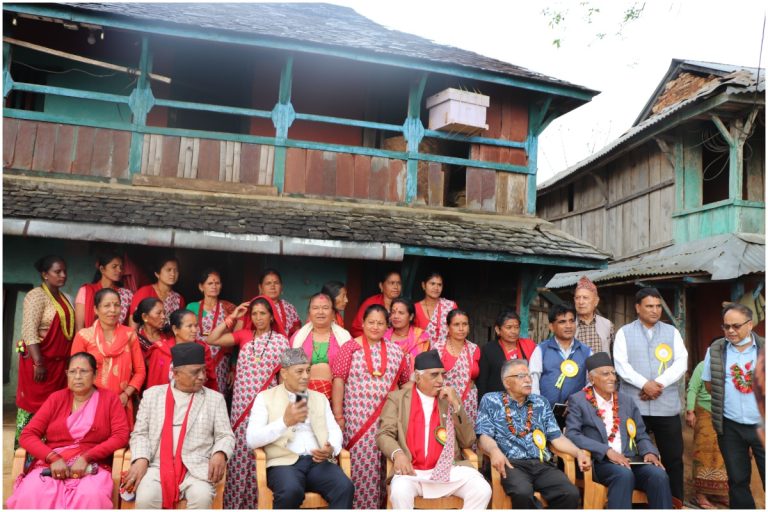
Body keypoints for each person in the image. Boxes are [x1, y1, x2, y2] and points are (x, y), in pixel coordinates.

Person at [6, 352, 130, 509]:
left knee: (91, 495)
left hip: (92, 467)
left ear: (95, 374)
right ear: (67, 374)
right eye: (72, 372)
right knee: (31, 492)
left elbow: (121, 436)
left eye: (83, 371)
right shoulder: (56, 399)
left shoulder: (110, 399)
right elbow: (27, 435)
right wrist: (52, 458)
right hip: (52, 466)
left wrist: (87, 457)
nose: (77, 376)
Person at [123, 343, 235, 509]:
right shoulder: (152, 395)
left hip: (196, 468)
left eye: (203, 370)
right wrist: (141, 458)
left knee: (202, 497)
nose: (202, 377)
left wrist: (220, 453)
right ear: (176, 374)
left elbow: (225, 435)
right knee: (146, 497)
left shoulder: (214, 399)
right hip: (156, 465)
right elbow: (140, 433)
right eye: (195, 372)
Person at [376, 350, 492, 509]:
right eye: (434, 375)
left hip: (448, 470)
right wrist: (398, 454)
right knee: (399, 492)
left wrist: (456, 406)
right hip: (412, 472)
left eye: (442, 375)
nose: (440, 380)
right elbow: (384, 434)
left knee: (482, 489)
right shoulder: (398, 399)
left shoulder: (449, 399)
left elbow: (468, 441)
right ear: (418, 377)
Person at [206, 296, 290, 509]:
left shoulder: (281, 341)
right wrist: (233, 317)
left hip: (267, 405)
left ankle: (258, 504)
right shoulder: (244, 335)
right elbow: (212, 339)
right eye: (254, 314)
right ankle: (234, 504)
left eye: (263, 313)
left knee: (261, 451)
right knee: (239, 452)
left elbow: (285, 376)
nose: (258, 318)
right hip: (241, 406)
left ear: (271, 316)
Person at [246, 348, 354, 509]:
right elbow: (252, 439)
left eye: (308, 371)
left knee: (344, 487)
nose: (306, 376)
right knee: (290, 491)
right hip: (283, 463)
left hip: (317, 462)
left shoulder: (320, 398)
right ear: (284, 373)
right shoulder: (264, 398)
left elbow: (334, 429)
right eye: (299, 371)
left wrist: (331, 448)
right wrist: (284, 423)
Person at [476, 359, 590, 509]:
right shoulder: (491, 400)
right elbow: (483, 435)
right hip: (510, 464)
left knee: (570, 493)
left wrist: (578, 452)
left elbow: (556, 437)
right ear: (506, 382)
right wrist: (494, 451)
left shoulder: (540, 402)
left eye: (529, 375)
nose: (528, 380)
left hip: (541, 464)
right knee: (522, 492)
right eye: (521, 376)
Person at [565, 352, 672, 509]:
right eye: (606, 374)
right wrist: (606, 451)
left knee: (658, 475)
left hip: (630, 459)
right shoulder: (578, 400)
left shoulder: (626, 401)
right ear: (591, 378)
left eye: (613, 373)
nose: (612, 378)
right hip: (600, 462)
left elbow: (641, 434)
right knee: (623, 474)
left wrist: (649, 452)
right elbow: (572, 434)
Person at [331, 304, 411, 508]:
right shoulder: (349, 348)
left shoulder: (396, 351)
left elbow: (406, 383)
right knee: (358, 469)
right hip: (356, 422)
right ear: (363, 323)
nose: (375, 327)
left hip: (388, 422)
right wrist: (338, 416)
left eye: (380, 323)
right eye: (371, 322)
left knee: (386, 470)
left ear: (387, 326)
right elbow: (338, 380)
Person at [613, 287, 687, 501]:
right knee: (634, 455)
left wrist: (657, 384)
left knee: (673, 458)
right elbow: (621, 365)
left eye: (658, 306)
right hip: (634, 406)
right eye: (649, 306)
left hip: (666, 406)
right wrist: (644, 384)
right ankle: (638, 501)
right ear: (638, 308)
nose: (655, 310)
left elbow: (681, 362)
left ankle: (675, 501)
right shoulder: (624, 332)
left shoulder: (672, 332)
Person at [702, 302, 765, 509]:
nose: (730, 331)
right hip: (730, 427)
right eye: (726, 326)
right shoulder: (716, 350)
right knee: (737, 481)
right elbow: (710, 385)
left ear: (750, 324)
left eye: (736, 326)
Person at [15, 255, 75, 445]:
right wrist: (39, 363)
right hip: (40, 364)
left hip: (59, 366)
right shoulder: (36, 296)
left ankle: (50, 450)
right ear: (44, 274)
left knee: (56, 408)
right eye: (57, 271)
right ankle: (26, 452)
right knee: (34, 409)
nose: (63, 275)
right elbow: (29, 331)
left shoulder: (64, 297)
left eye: (64, 271)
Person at [71, 288, 146, 429]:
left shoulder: (130, 334)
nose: (113, 310)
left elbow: (140, 371)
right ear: (96, 309)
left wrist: (126, 395)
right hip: (90, 404)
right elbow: (75, 374)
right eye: (107, 305)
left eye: (117, 305)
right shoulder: (84, 336)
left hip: (121, 403)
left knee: (119, 440)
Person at [530, 303, 591, 426]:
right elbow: (533, 381)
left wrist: (578, 400)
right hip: (545, 415)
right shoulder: (541, 350)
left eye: (571, 321)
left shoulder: (586, 351)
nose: (568, 326)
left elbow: (592, 382)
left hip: (576, 415)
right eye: (562, 322)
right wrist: (539, 408)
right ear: (551, 326)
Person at [290, 293, 352, 399]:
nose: (320, 312)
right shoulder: (298, 337)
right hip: (302, 396)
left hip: (337, 397)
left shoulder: (345, 338)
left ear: (333, 313)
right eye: (315, 308)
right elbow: (289, 370)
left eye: (325, 308)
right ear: (309, 313)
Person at [686, 359, 728, 508]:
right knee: (703, 454)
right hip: (705, 411)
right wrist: (690, 411)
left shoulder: (731, 364)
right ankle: (700, 495)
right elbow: (692, 388)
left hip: (725, 414)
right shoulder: (703, 366)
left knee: (723, 454)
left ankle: (719, 493)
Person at [187, 269, 235, 397]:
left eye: (217, 283)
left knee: (216, 398)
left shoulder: (229, 308)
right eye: (210, 283)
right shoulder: (192, 307)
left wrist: (233, 368)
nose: (214, 286)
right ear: (201, 287)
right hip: (197, 359)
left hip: (221, 362)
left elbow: (236, 340)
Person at [144, 309, 217, 391]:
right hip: (165, 397)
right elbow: (154, 381)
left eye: (196, 326)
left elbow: (210, 380)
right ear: (175, 329)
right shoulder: (160, 350)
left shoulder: (202, 348)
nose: (194, 330)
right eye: (189, 326)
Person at [432, 309, 481, 423]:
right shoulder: (438, 349)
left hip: (468, 404)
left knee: (466, 433)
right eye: (456, 324)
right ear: (448, 327)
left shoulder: (474, 349)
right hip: (444, 401)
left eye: (465, 324)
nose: (461, 328)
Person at [477, 310, 537, 399]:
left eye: (516, 327)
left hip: (524, 399)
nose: (514, 331)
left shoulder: (529, 346)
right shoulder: (489, 349)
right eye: (509, 327)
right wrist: (483, 403)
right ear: (498, 330)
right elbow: (482, 381)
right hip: (498, 401)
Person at [75, 252, 133, 331]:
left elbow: (129, 327)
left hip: (118, 338)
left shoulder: (126, 294)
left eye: (121, 267)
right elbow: (79, 328)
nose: (119, 270)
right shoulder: (86, 291)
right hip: (90, 338)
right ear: (102, 269)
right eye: (114, 266)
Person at [129, 256, 185, 326]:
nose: (173, 274)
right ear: (157, 274)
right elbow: (134, 323)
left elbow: (179, 326)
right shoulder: (144, 292)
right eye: (168, 270)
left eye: (176, 270)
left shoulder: (179, 299)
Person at [350, 270, 402, 338]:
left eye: (399, 283)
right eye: (391, 283)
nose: (396, 287)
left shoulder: (404, 305)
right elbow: (356, 329)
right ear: (381, 286)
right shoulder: (370, 302)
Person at [385, 297, 431, 371]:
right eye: (393, 312)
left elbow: (425, 367)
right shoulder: (383, 336)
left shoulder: (421, 338)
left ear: (411, 317)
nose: (396, 316)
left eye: (401, 313)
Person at [414, 271, 458, 347]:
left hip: (447, 351)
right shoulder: (415, 308)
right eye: (432, 284)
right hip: (422, 352)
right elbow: (412, 336)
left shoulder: (450, 306)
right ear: (423, 285)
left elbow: (457, 331)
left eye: (439, 285)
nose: (436, 288)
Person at [253, 268, 302, 337]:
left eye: (276, 283)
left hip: (286, 343)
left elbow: (298, 335)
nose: (272, 286)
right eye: (268, 283)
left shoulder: (289, 308)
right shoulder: (252, 307)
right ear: (260, 287)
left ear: (281, 287)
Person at [574, 276, 614, 354]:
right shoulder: (569, 325)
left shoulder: (607, 325)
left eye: (585, 298)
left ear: (596, 301)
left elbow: (615, 354)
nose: (581, 302)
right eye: (577, 298)